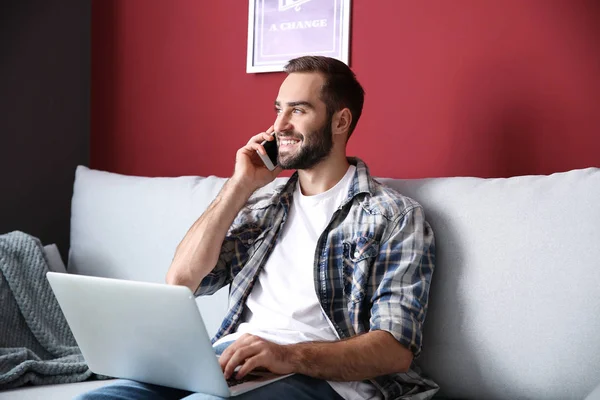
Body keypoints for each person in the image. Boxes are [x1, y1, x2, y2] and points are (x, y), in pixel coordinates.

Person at [77, 56, 438, 400]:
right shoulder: (263, 205)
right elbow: (183, 280)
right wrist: (240, 184)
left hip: (324, 382)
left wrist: (286, 355)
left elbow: (394, 350)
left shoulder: (393, 216)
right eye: (278, 110)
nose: (280, 125)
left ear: (340, 121)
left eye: (298, 110)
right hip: (230, 359)